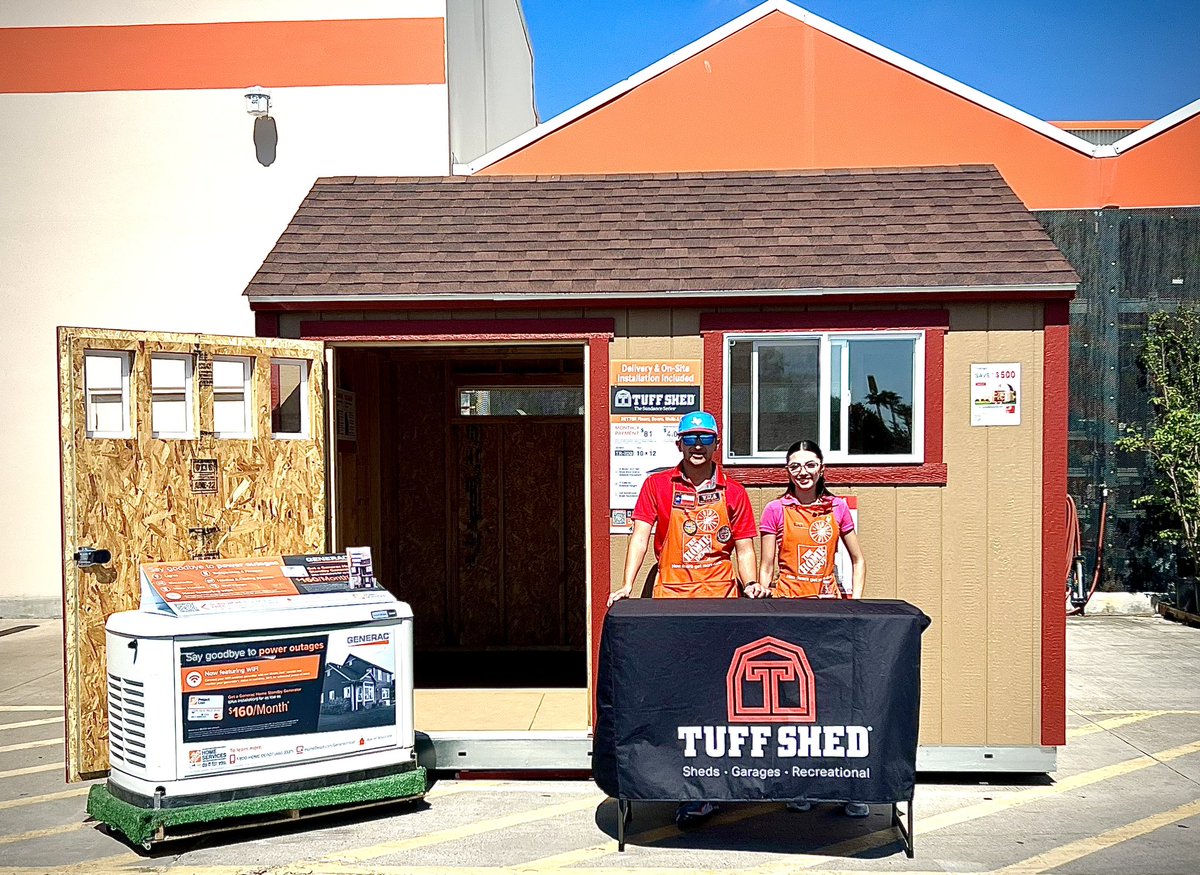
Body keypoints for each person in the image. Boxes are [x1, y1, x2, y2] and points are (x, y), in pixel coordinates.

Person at [608, 410, 764, 826]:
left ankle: (715, 788)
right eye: (690, 438)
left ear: (717, 443)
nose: (697, 446)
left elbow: (745, 547)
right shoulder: (658, 485)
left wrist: (749, 585)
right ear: (679, 444)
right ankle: (677, 785)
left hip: (719, 607)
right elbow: (640, 536)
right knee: (676, 699)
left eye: (705, 439)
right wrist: (627, 584)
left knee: (717, 700)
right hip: (671, 606)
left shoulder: (735, 491)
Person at [757, 439, 869, 818]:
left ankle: (848, 788)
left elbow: (858, 559)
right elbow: (767, 567)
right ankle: (800, 785)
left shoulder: (837, 508)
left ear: (822, 468)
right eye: (794, 466)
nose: (801, 472)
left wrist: (854, 602)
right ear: (786, 471)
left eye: (809, 464)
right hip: (789, 616)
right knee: (794, 706)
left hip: (830, 617)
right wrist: (764, 599)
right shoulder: (775, 509)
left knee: (836, 702)